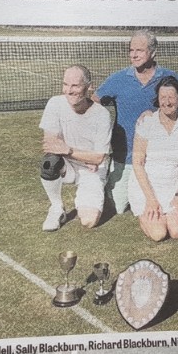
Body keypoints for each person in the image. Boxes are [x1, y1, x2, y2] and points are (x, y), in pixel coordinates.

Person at [94, 30, 178, 215]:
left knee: (161, 206)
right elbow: (94, 103)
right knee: (117, 207)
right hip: (124, 158)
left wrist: (156, 113)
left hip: (157, 159)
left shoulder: (170, 78)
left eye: (139, 50)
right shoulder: (117, 79)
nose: (134, 54)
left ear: (153, 52)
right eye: (131, 50)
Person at [39, 65, 112, 231]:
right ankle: (57, 208)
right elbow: (50, 145)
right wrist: (82, 155)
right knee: (49, 162)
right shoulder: (54, 103)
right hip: (69, 165)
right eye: (65, 84)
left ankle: (99, 189)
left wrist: (68, 150)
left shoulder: (102, 115)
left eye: (75, 86)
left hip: (92, 170)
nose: (68, 91)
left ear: (89, 87)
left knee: (88, 221)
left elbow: (99, 158)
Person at [128, 77, 178, 241]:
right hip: (149, 186)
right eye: (163, 97)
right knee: (158, 234)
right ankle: (149, 217)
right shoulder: (146, 123)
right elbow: (138, 163)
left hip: (176, 185)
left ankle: (169, 215)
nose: (167, 102)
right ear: (157, 99)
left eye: (171, 97)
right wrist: (151, 199)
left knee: (177, 232)